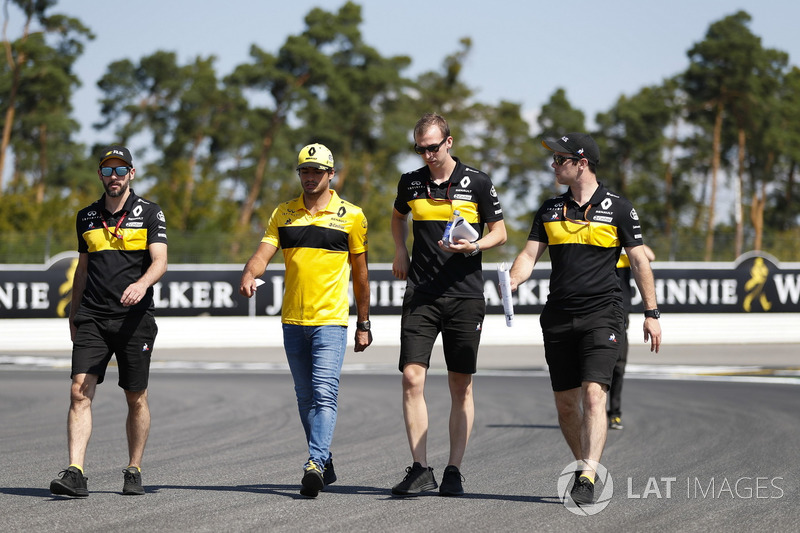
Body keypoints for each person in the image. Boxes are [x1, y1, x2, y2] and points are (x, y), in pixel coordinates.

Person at [507, 132, 661, 506]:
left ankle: (589, 475)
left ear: (582, 163)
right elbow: (529, 256)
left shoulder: (620, 208)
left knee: (594, 396)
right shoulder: (548, 210)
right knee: (565, 404)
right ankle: (581, 465)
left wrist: (651, 313)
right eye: (554, 159)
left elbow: (640, 261)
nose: (553, 165)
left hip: (603, 314)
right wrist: (512, 278)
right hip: (557, 316)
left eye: (560, 159)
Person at [239, 143, 372, 498]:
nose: (310, 177)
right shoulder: (283, 213)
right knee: (304, 397)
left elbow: (361, 274)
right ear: (299, 174)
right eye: (305, 171)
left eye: (317, 171)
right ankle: (324, 459)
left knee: (325, 394)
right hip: (292, 321)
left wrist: (363, 323)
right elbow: (262, 254)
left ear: (332, 174)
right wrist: (250, 273)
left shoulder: (352, 215)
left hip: (330, 321)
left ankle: (314, 462)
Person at [390, 113, 507, 497]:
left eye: (433, 147)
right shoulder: (410, 181)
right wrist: (399, 250)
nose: (427, 155)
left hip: (465, 295)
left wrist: (473, 245)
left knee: (461, 386)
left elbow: (500, 233)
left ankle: (454, 469)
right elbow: (396, 216)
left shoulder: (478, 181)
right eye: (420, 148)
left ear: (449, 142)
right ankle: (421, 468)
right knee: (411, 378)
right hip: (421, 293)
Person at [50, 146, 168, 497]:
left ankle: (134, 469)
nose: (113, 177)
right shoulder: (86, 216)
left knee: (136, 396)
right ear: (100, 176)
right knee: (78, 391)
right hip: (93, 317)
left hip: (135, 319)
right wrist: (73, 314)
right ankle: (75, 472)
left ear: (131, 173)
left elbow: (160, 261)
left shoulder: (150, 212)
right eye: (107, 171)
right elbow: (82, 270)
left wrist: (141, 284)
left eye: (120, 171)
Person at [609, 245, 656, 430]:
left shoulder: (625, 256)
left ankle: (614, 414)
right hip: (597, 311)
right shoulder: (600, 252)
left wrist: (628, 236)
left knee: (618, 366)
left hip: (621, 312)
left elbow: (650, 256)